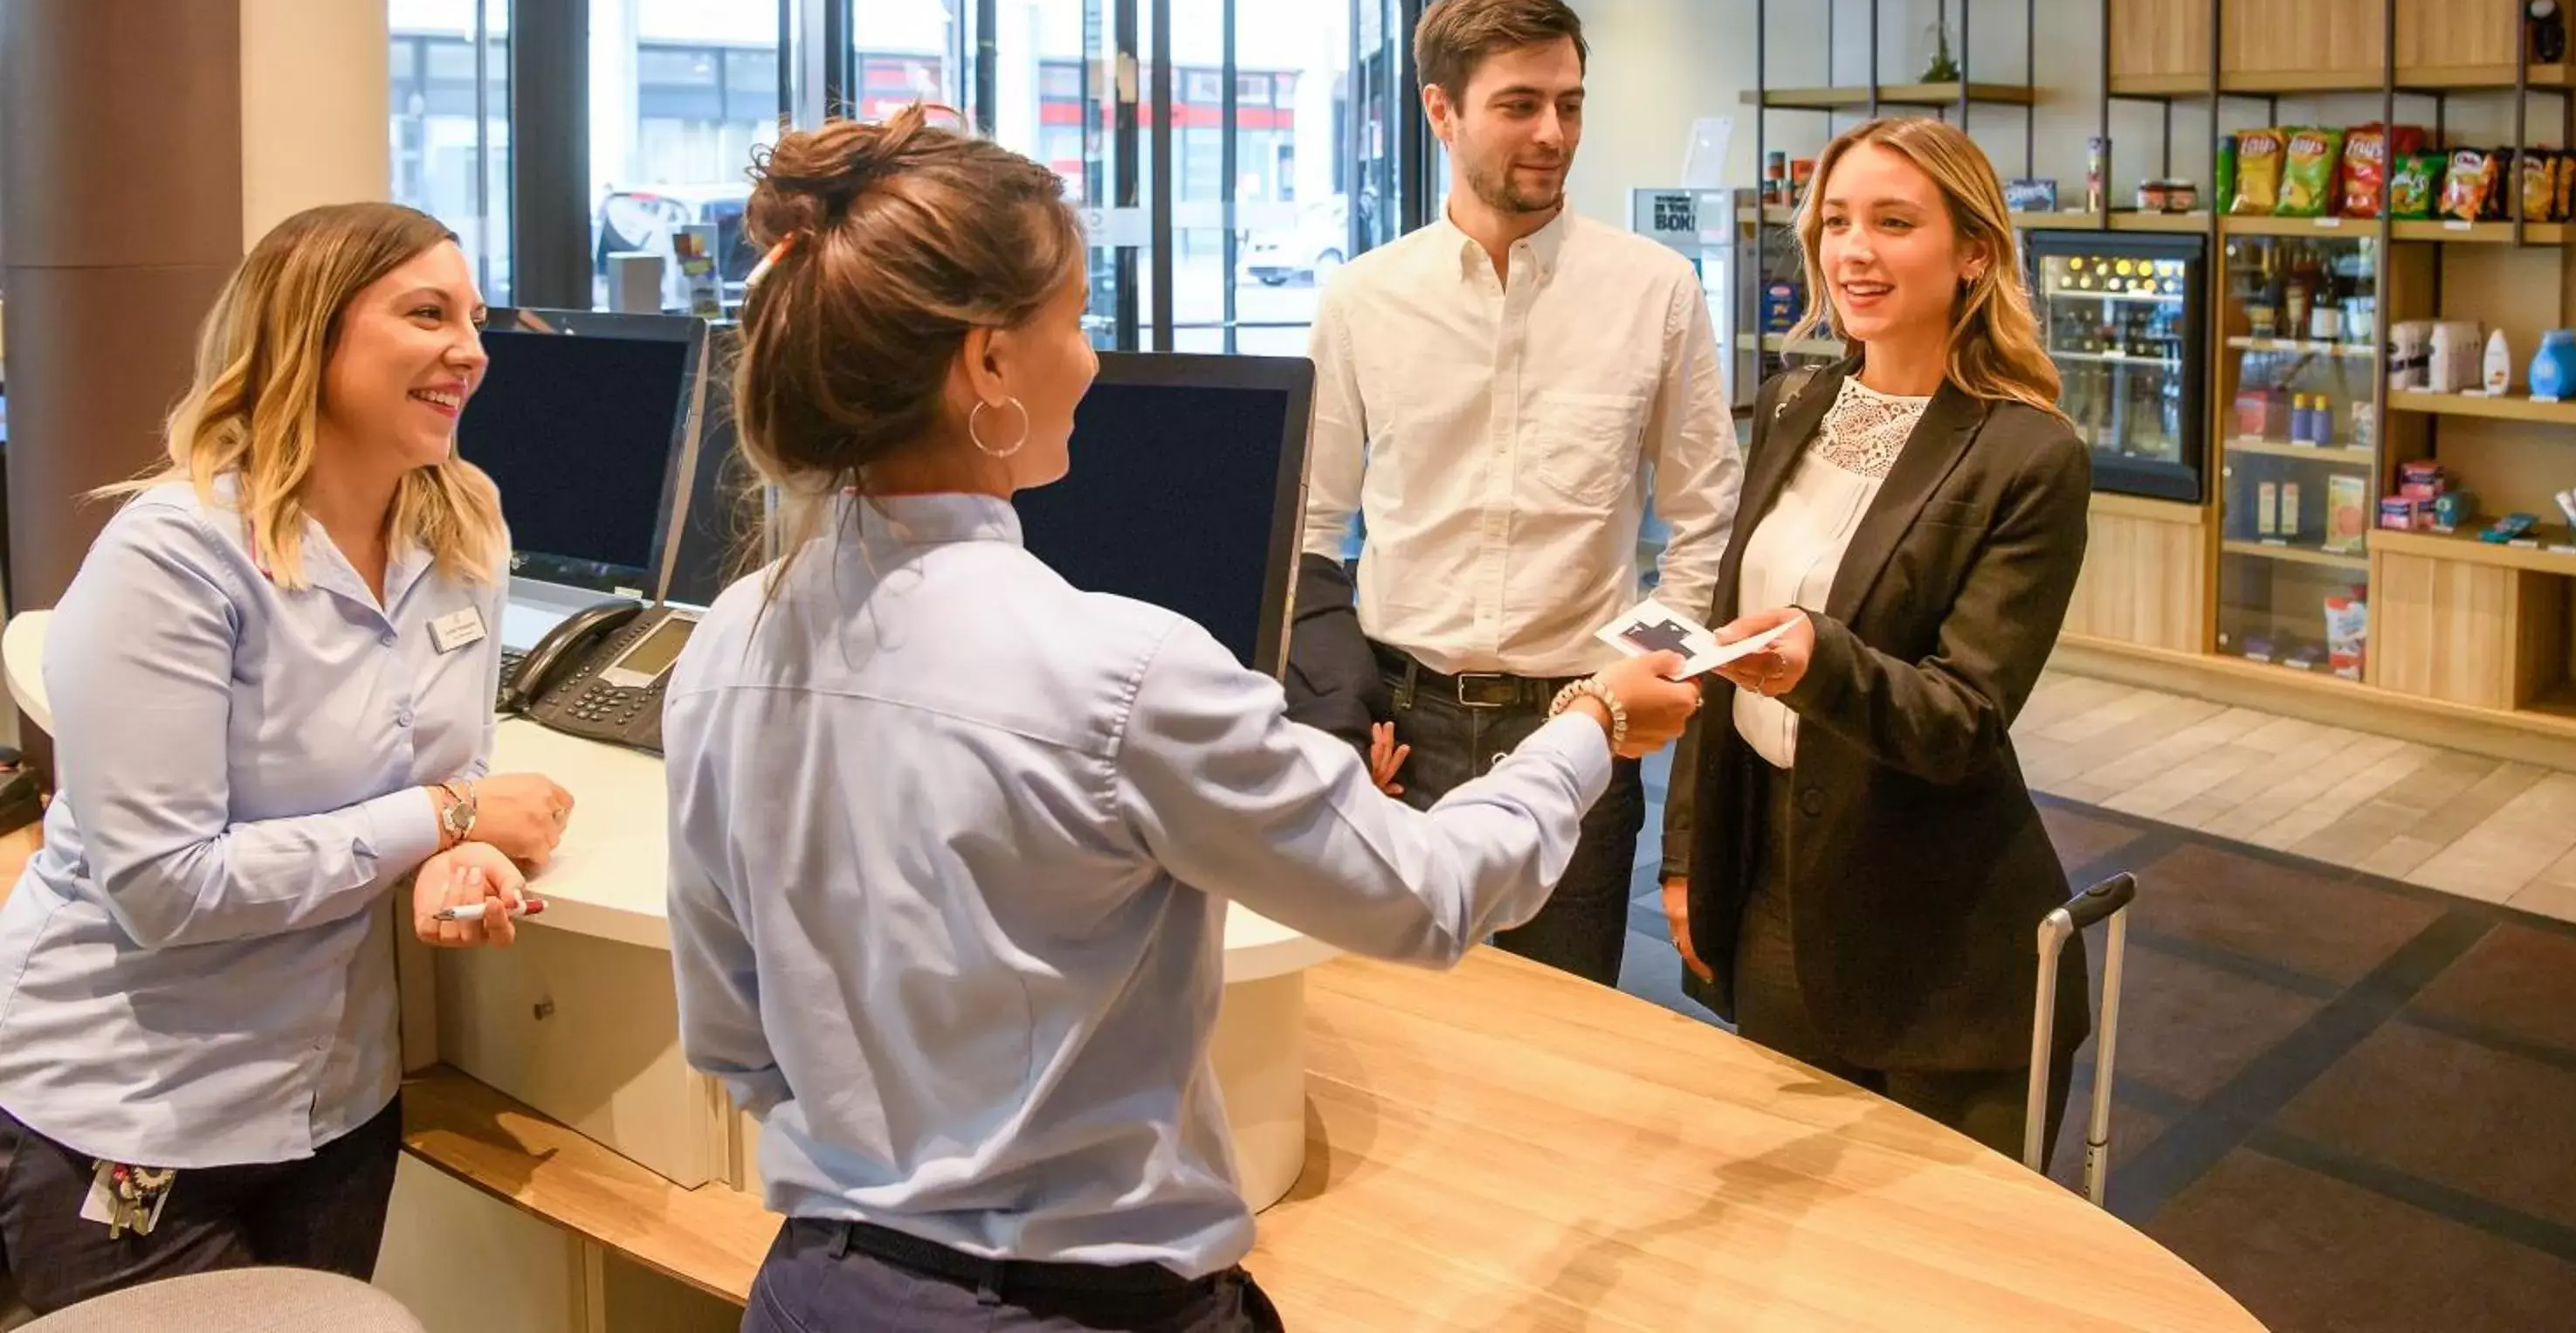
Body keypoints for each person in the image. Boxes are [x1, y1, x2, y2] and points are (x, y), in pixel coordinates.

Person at [662, 111, 1701, 1333]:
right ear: (988, 365)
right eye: (1078, 317)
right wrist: (1587, 723)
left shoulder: (727, 641)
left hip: (814, 1293)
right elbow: (1425, 897)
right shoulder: (1121, 673)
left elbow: (732, 1037)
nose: (1094, 360)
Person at [0, 204, 571, 1315]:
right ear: (308, 333)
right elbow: (167, 887)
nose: (472, 349)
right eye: (426, 313)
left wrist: (454, 862)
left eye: (475, 317)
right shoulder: (176, 556)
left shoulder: (465, 531)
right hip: (134, 1108)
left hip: (339, 1106)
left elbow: (445, 773)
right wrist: (445, 820)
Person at [1286, 0, 1742, 987]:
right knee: (1388, 1013)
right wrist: (1337, 717)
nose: (1554, 132)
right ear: (1441, 110)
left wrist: (1638, 678)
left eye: (1570, 104)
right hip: (1399, 718)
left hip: (1580, 717)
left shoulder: (1655, 291)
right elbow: (1310, 525)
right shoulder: (1364, 299)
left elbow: (1707, 518)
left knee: (1565, 1022)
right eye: (1521, 105)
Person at [1660, 117, 2093, 1159]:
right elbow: (1722, 636)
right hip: (1773, 891)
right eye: (1838, 221)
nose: (1854, 249)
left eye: (1894, 222)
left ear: (1974, 252)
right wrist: (1684, 857)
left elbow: (1964, 715)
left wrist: (1820, 661)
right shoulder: (1795, 402)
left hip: (1941, 935)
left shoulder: (2030, 455)